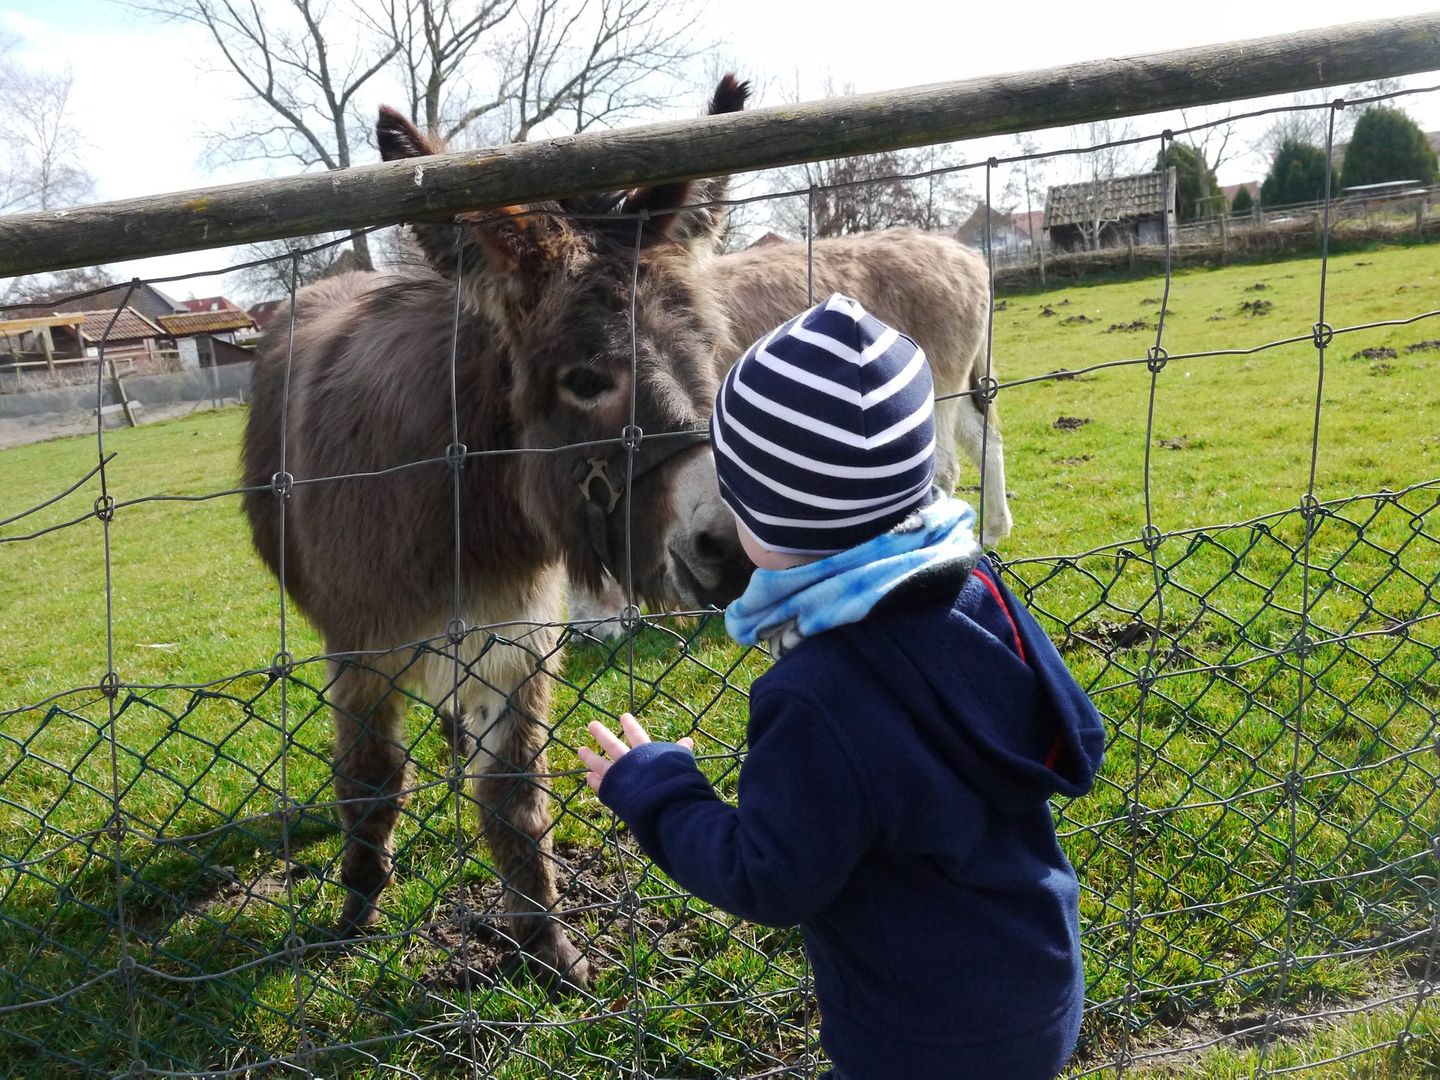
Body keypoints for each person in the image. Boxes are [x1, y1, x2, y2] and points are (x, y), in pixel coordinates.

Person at [578, 294, 1106, 1079]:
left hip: (915, 1039)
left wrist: (657, 789)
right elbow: (1081, 740)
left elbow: (768, 876)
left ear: (772, 519)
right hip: (1037, 986)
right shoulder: (979, 594)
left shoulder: (818, 692)